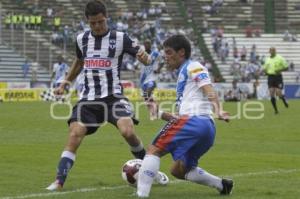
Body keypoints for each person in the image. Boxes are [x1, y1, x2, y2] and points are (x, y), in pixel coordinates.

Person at [46, 0, 167, 191]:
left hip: (114, 98)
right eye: (93, 23)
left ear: (106, 18)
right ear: (87, 21)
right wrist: (65, 83)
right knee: (75, 134)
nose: (97, 26)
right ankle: (59, 181)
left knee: (128, 132)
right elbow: (78, 62)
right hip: (88, 99)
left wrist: (145, 58)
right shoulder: (81, 39)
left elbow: (145, 58)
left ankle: (151, 171)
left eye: (101, 22)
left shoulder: (120, 38)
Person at [136, 35, 233, 198]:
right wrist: (158, 112)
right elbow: (179, 119)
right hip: (206, 129)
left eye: (168, 52)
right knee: (178, 170)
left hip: (194, 121)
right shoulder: (184, 75)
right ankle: (221, 185)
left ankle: (141, 194)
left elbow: (208, 88)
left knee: (153, 150)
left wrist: (218, 109)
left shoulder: (193, 66)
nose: (165, 57)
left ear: (181, 52)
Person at [138, 39, 163, 120]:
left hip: (152, 78)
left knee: (148, 93)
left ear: (151, 44)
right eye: (146, 43)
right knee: (146, 98)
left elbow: (162, 61)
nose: (147, 45)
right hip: (143, 79)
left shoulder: (155, 54)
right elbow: (137, 64)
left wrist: (158, 69)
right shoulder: (141, 54)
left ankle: (155, 110)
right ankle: (153, 112)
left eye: (148, 43)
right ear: (144, 45)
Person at [263, 47, 289, 114]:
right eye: (271, 50)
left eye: (273, 50)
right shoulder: (267, 59)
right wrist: (265, 72)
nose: (272, 52)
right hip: (270, 77)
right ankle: (276, 110)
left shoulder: (280, 58)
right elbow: (265, 68)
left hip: (278, 77)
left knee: (278, 93)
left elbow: (287, 67)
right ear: (269, 51)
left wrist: (279, 70)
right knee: (271, 93)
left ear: (275, 51)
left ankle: (284, 100)